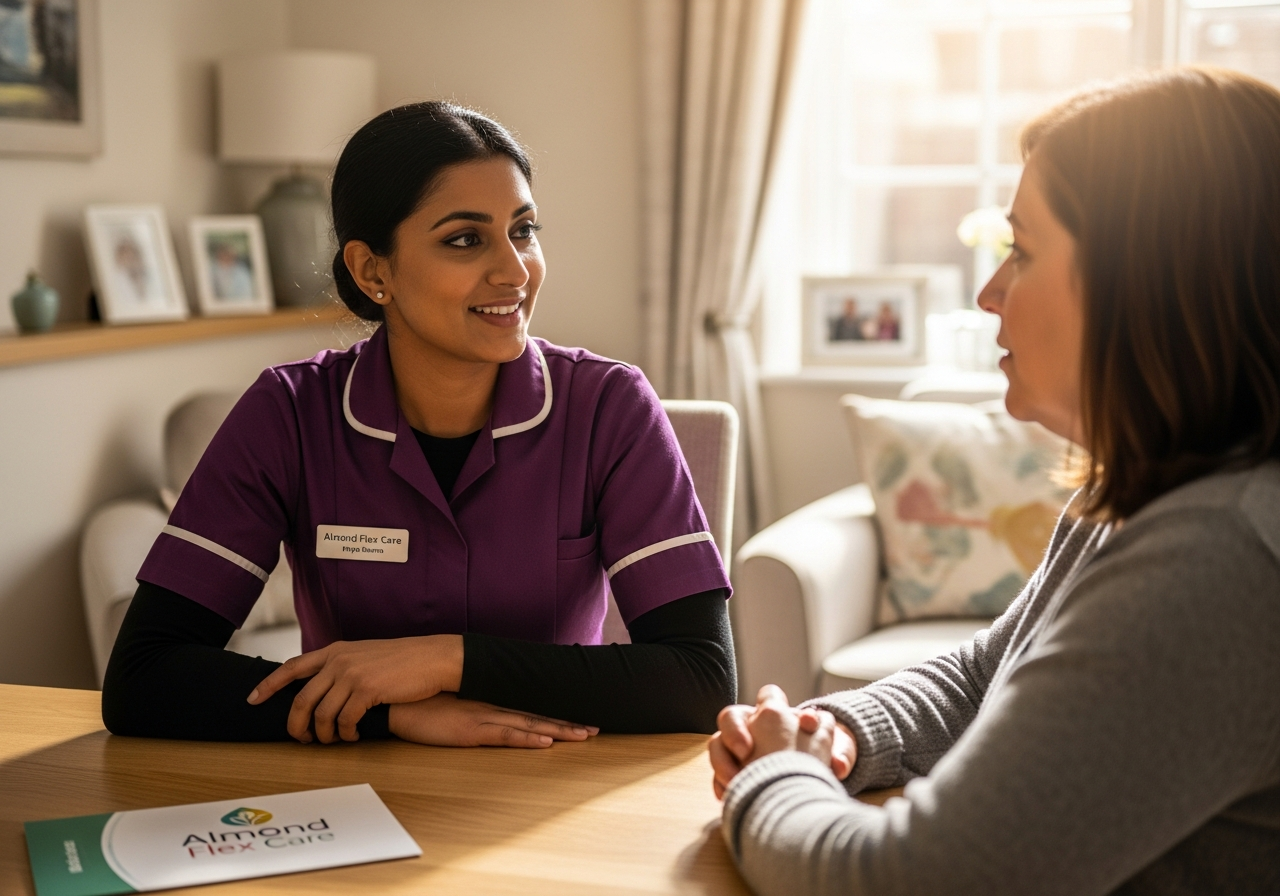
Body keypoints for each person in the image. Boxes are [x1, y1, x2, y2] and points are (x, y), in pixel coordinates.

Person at [708, 66, 1280, 894]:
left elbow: (908, 881)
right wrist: (832, 732)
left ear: (1144, 282)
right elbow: (991, 670)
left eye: (1025, 250)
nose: (989, 292)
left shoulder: (1220, 562)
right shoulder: (1139, 488)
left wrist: (773, 779)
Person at [102, 102, 735, 748]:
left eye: (523, 230)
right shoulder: (287, 415)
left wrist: (443, 662)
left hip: (551, 790)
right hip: (351, 790)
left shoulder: (610, 408)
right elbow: (144, 676)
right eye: (466, 239)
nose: (515, 271)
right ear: (373, 270)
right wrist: (393, 714)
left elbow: (700, 676)